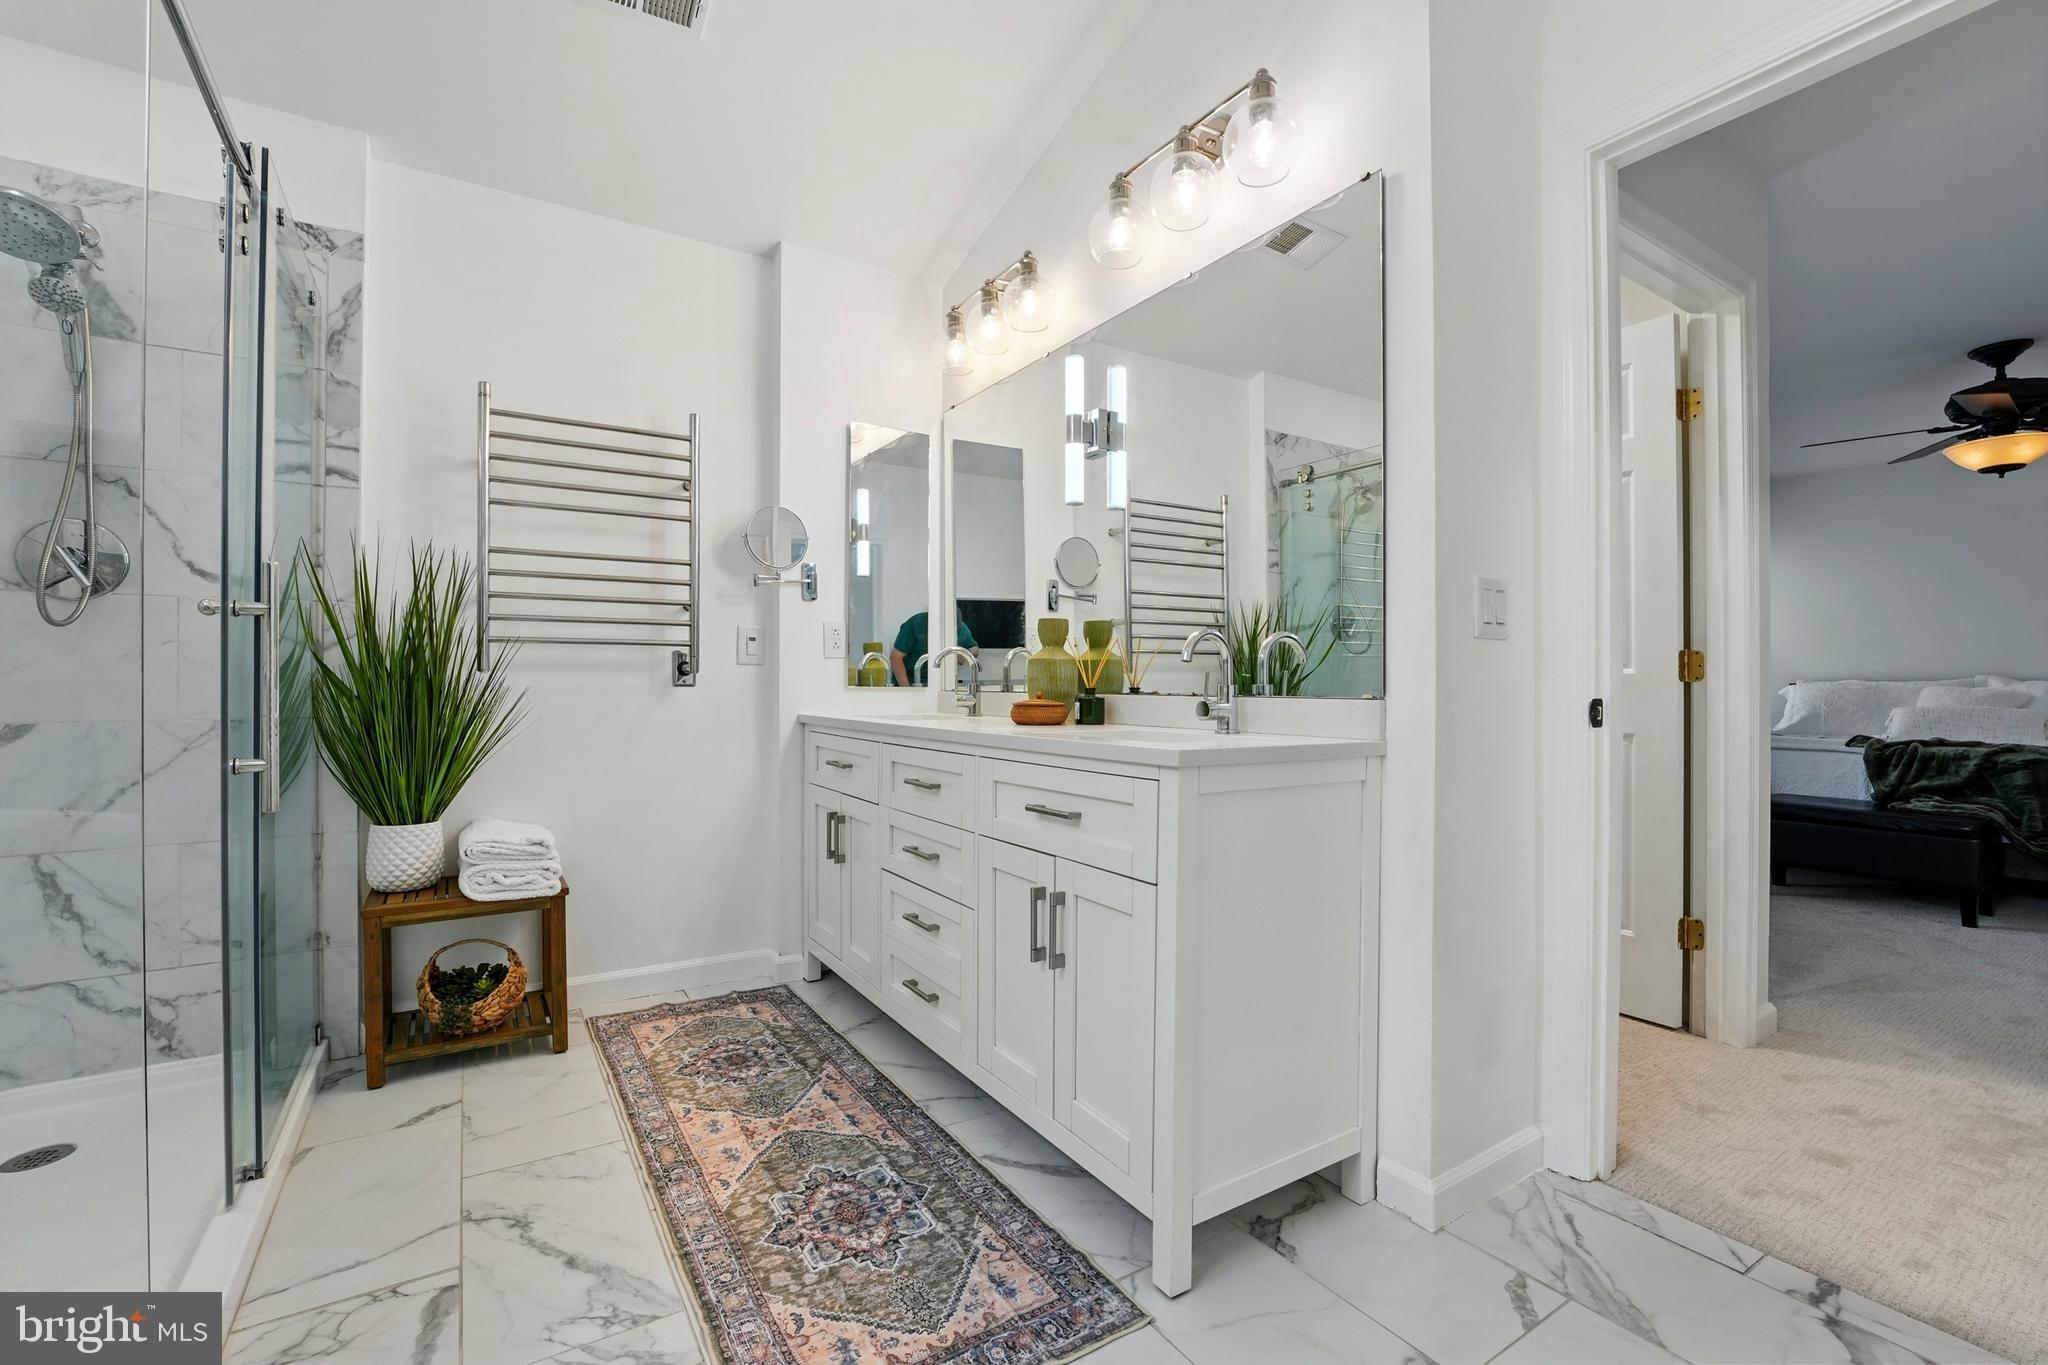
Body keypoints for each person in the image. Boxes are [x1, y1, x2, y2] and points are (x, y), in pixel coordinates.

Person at [890, 610, 976, 686]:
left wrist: (964, 654)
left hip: (938, 683)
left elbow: (974, 648)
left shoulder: (959, 627)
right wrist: (907, 690)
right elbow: (895, 657)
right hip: (908, 680)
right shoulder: (915, 624)